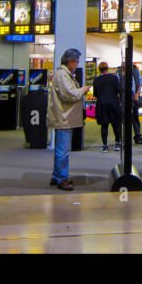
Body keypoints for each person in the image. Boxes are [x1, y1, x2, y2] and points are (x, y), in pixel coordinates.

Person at [48, 48, 88, 190]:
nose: (77, 64)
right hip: (64, 117)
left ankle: (56, 175)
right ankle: (62, 178)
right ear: (69, 61)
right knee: (63, 150)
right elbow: (70, 95)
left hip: (63, 116)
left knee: (60, 149)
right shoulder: (63, 75)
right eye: (76, 61)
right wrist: (83, 90)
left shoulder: (63, 74)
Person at [93, 61, 122, 152]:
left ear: (99, 69)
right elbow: (119, 90)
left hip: (102, 104)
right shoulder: (114, 78)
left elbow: (95, 94)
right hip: (113, 103)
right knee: (115, 124)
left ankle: (105, 145)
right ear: (107, 68)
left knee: (104, 125)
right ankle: (117, 144)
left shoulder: (96, 80)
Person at [118, 63, 142, 145]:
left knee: (135, 117)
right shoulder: (119, 73)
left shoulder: (135, 71)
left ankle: (137, 137)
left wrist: (137, 93)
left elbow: (140, 82)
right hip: (124, 99)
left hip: (133, 99)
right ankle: (122, 139)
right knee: (123, 118)